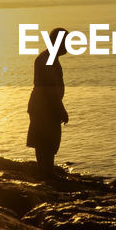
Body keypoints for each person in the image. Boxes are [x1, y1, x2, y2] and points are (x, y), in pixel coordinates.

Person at [26, 27, 69, 179]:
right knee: (46, 142)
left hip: (44, 106)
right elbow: (49, 91)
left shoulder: (49, 58)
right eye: (66, 42)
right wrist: (61, 110)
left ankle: (46, 172)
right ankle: (47, 173)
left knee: (47, 141)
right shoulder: (47, 59)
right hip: (44, 107)